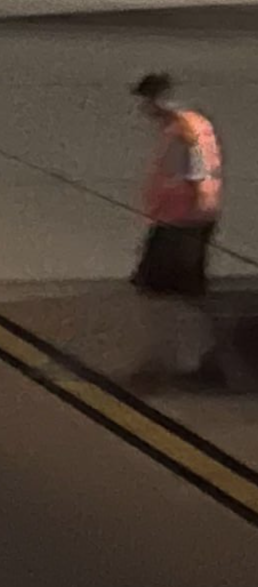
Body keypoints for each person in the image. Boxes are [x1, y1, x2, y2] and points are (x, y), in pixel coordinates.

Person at [130, 71, 227, 387]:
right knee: (174, 293)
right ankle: (190, 360)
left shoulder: (183, 129)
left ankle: (178, 362)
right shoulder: (185, 125)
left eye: (146, 101)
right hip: (179, 222)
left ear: (158, 98)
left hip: (181, 224)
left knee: (166, 293)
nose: (144, 109)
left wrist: (195, 218)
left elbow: (197, 172)